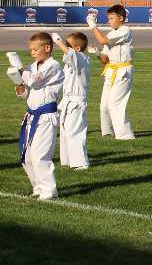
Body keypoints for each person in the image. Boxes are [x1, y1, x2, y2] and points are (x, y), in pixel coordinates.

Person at [7, 33, 64, 199]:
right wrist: (18, 84)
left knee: (40, 155)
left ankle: (49, 190)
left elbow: (34, 82)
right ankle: (38, 187)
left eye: (35, 49)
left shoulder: (53, 66)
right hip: (31, 116)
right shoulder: (32, 66)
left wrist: (19, 68)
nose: (32, 52)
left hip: (46, 116)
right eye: (30, 49)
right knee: (27, 156)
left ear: (47, 48)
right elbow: (26, 91)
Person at [88, 4, 135, 140]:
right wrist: (96, 52)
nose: (109, 21)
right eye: (108, 18)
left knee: (115, 103)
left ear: (121, 18)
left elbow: (102, 40)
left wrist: (92, 26)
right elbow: (105, 60)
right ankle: (107, 132)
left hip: (123, 70)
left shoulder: (125, 30)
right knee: (104, 105)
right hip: (111, 70)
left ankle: (125, 135)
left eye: (111, 18)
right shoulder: (110, 34)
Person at [51, 32, 90, 169]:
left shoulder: (82, 59)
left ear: (77, 48)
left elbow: (69, 52)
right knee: (66, 131)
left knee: (75, 132)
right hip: (67, 100)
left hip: (77, 102)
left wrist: (57, 40)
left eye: (69, 46)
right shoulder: (70, 63)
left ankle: (81, 162)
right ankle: (68, 160)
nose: (65, 48)